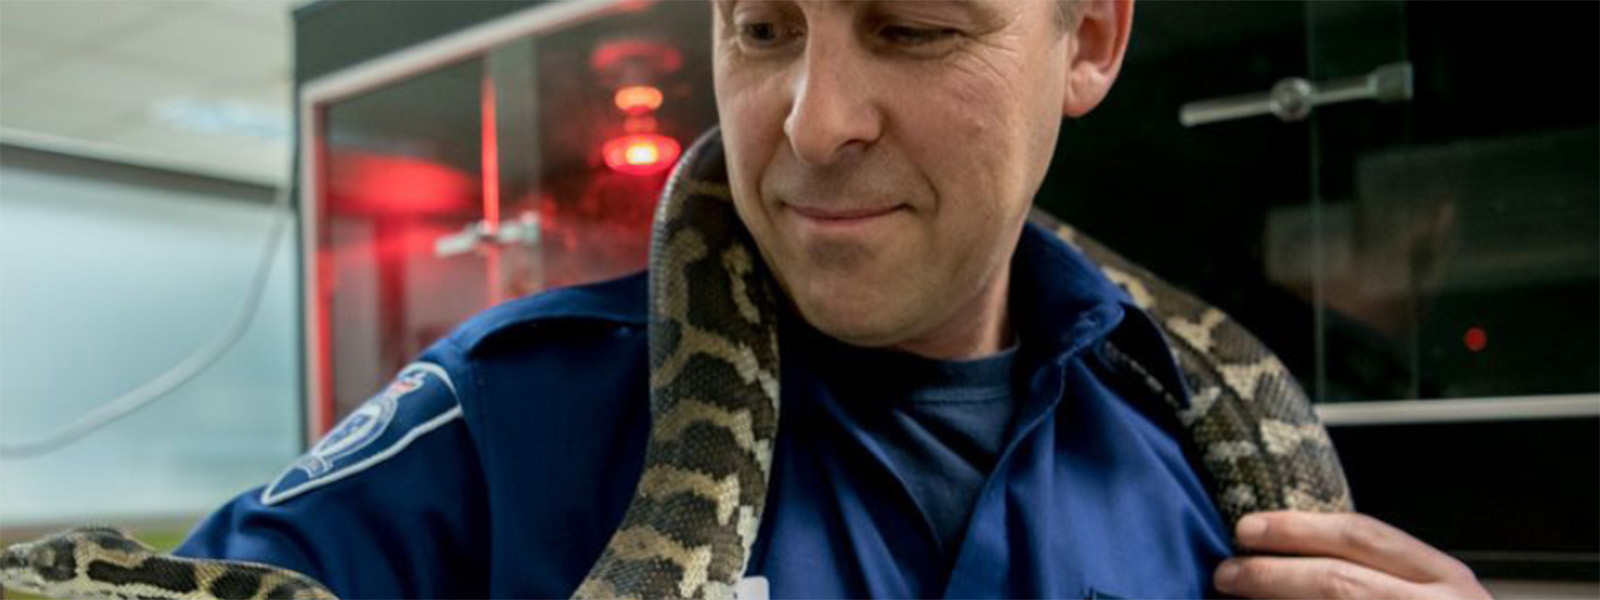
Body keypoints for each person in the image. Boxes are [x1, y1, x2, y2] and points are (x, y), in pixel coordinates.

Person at [177, 1, 1491, 598]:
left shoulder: (1193, 442)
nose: (812, 121)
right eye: (762, 29)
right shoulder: (491, 422)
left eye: (915, 29)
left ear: (1087, 41)